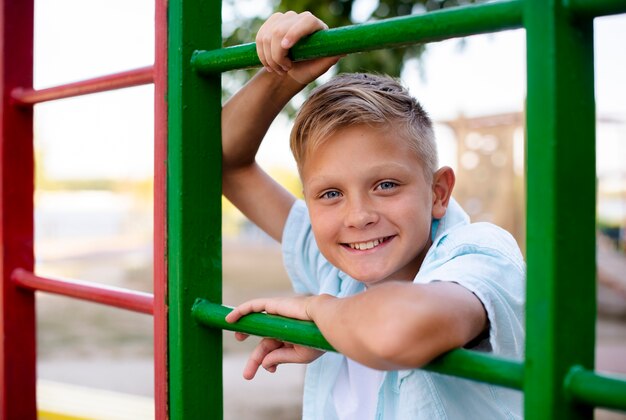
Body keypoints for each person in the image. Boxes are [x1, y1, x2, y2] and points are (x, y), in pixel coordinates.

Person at [222, 11, 525, 419]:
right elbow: (223, 162)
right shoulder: (338, 263)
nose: (358, 216)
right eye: (330, 193)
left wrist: (317, 310)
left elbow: (393, 332)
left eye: (386, 185)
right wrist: (285, 73)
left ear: (438, 193)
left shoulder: (479, 253)